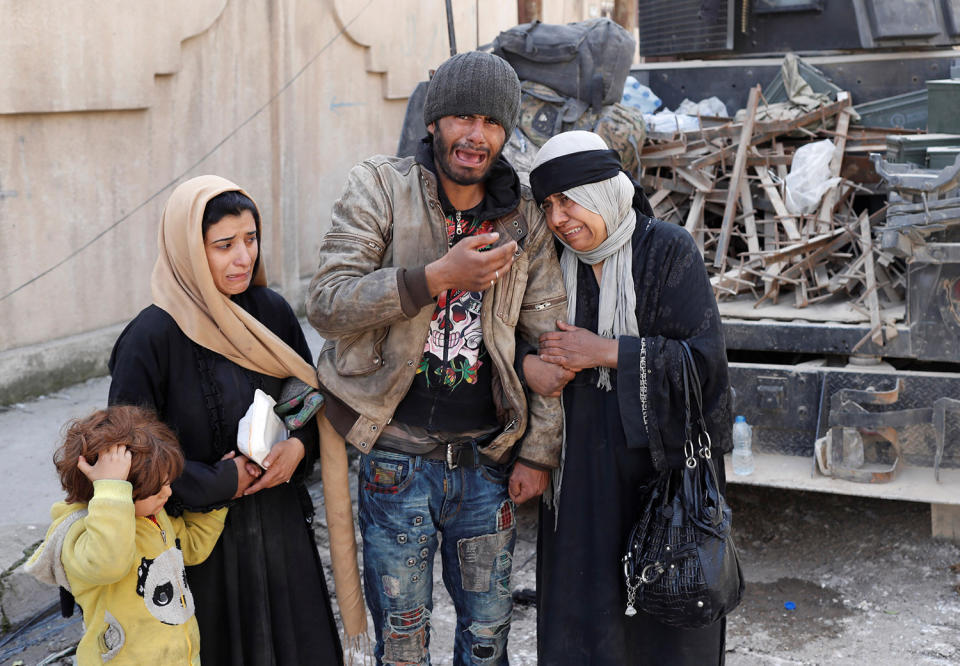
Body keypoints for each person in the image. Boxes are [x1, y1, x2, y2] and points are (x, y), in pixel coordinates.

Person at [305, 51, 567, 665]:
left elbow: (550, 334)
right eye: (462, 119)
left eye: (492, 124)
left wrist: (538, 450)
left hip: (486, 462)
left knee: (487, 638)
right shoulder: (380, 187)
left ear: (505, 134)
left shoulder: (523, 213)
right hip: (395, 458)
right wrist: (435, 276)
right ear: (434, 122)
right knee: (402, 641)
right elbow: (327, 301)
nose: (476, 137)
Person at [107, 176, 345, 665]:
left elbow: (306, 391)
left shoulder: (270, 312)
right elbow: (126, 453)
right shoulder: (150, 338)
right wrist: (221, 480)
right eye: (224, 245)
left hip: (279, 532)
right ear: (188, 249)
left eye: (251, 239)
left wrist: (297, 446)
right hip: (195, 545)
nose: (244, 257)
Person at [526, 130, 733, 665]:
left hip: (660, 477)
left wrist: (608, 352)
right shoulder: (548, 259)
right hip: (579, 479)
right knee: (581, 609)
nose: (558, 218)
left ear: (603, 190)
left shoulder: (667, 249)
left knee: (665, 623)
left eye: (568, 199)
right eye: (547, 205)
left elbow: (704, 363)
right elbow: (509, 344)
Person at [25, 405, 227, 665]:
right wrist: (110, 489)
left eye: (168, 483)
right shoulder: (79, 533)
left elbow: (191, 548)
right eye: (157, 489)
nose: (167, 494)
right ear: (111, 489)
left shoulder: (153, 516)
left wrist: (221, 494)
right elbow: (109, 563)